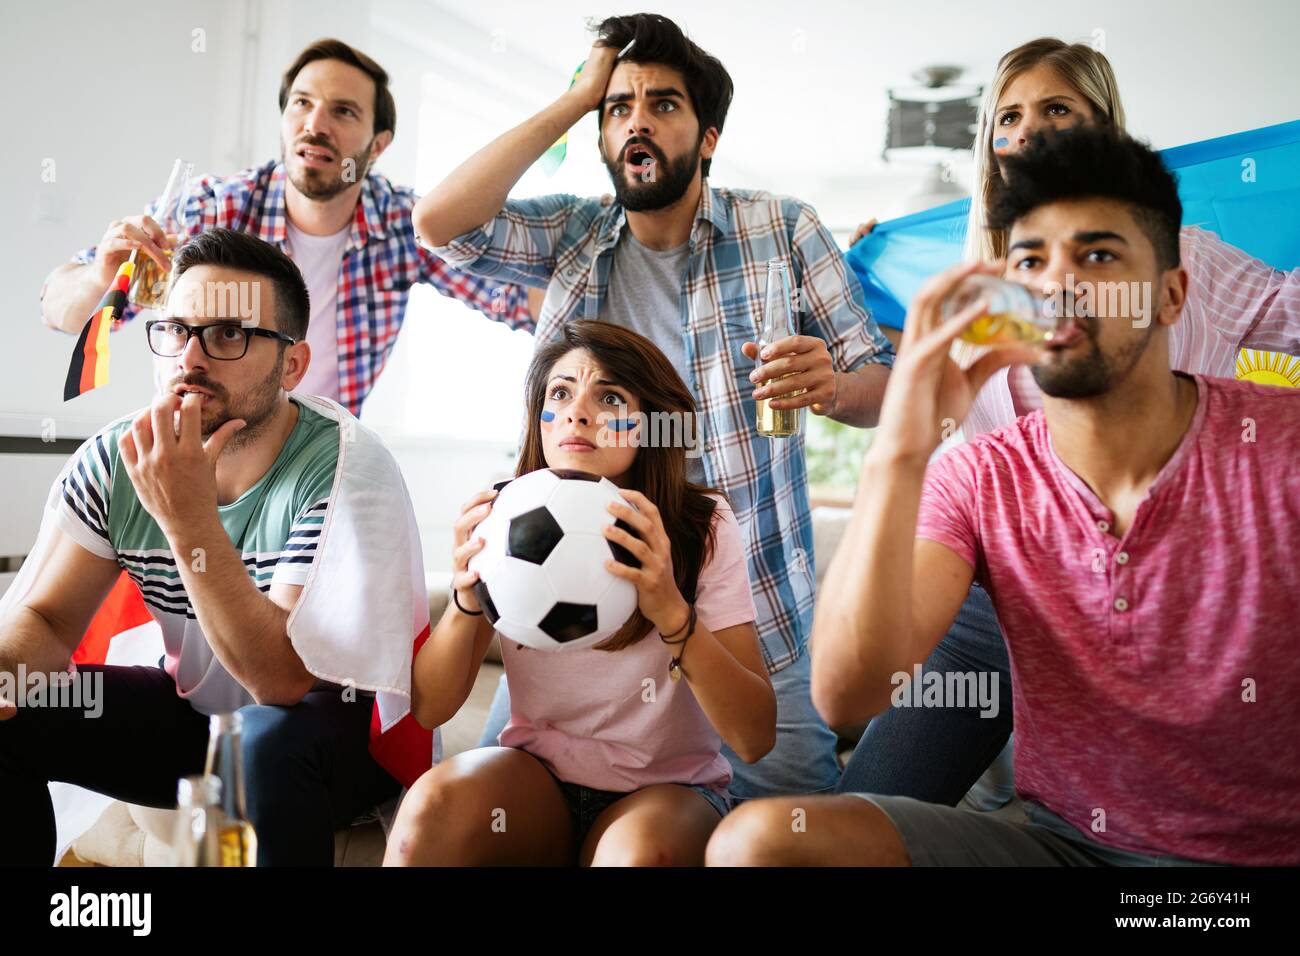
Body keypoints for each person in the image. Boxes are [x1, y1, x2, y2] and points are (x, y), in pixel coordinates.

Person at [706, 128, 1300, 866]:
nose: (1058, 285)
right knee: (756, 845)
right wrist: (905, 445)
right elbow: (846, 696)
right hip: (1063, 850)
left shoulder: (1278, 446)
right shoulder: (977, 476)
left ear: (1172, 296)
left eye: (1098, 255)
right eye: (1031, 261)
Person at [414, 13, 894, 799]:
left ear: (707, 137)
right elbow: (439, 224)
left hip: (749, 613)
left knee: (788, 833)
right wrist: (575, 99)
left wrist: (835, 387)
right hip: (566, 599)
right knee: (486, 805)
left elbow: (882, 386)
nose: (637, 119)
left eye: (664, 104)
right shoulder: (573, 230)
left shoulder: (783, 228)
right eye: (619, 106)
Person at [840, 36, 1300, 809]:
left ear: (1104, 127)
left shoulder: (1187, 259)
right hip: (988, 596)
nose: (1026, 130)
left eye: (1056, 108)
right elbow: (907, 389)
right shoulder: (973, 290)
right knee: (863, 806)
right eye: (1008, 116)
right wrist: (867, 285)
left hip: (1157, 592)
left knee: (1139, 825)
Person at [1, 229, 427, 865]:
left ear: (292, 364)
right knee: (18, 709)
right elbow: (45, 618)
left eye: (228, 335)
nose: (190, 358)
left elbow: (280, 680)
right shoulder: (119, 458)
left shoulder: (344, 469)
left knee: (265, 738)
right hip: (196, 716)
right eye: (175, 330)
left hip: (334, 731)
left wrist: (187, 518)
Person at [384, 320, 774, 865]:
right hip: (535, 785)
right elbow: (429, 709)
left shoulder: (701, 526)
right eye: (561, 393)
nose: (577, 413)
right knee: (428, 811)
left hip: (665, 792)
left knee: (637, 856)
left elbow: (755, 736)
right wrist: (465, 598)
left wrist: (670, 610)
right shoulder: (500, 519)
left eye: (609, 397)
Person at [40, 38, 530, 416]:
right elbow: (61, 312)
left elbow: (517, 300)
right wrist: (99, 279)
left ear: (377, 145)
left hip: (317, 462)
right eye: (301, 103)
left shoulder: (405, 225)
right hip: (199, 448)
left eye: (343, 111)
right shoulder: (210, 208)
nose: (315, 124)